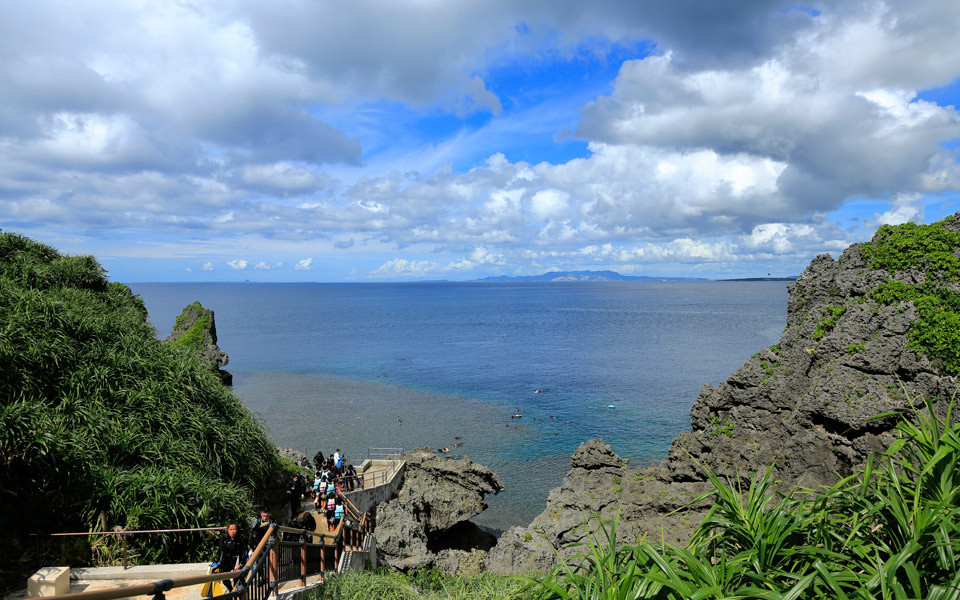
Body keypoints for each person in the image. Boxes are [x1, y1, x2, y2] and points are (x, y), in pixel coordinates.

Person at [214, 522, 248, 591]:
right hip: (227, 559)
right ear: (228, 530)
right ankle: (231, 590)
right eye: (230, 529)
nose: (232, 532)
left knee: (236, 578)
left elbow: (245, 552)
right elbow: (220, 551)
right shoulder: (224, 537)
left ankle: (235, 593)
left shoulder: (241, 537)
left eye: (234, 529)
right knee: (224, 577)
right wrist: (216, 561)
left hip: (237, 559)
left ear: (237, 530)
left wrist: (241, 564)